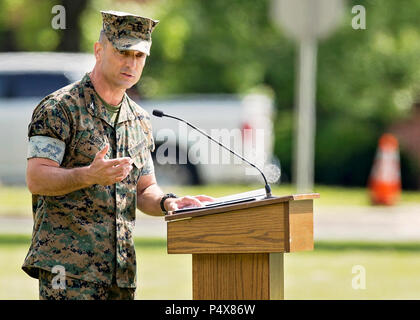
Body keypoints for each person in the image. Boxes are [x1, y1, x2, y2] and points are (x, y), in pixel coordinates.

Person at [22, 10, 214, 300]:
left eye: (139, 56)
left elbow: (144, 188)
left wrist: (169, 202)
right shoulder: (59, 109)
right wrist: (88, 175)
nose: (131, 62)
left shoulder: (139, 119)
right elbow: (37, 178)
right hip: (68, 274)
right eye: (123, 51)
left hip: (120, 274)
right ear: (99, 50)